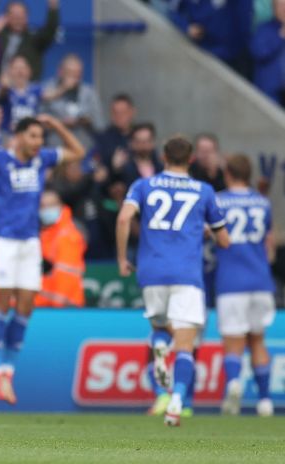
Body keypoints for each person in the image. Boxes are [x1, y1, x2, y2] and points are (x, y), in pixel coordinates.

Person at [0, 105, 85, 404]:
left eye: (41, 137)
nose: (38, 142)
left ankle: (8, 372)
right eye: (33, 136)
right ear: (19, 136)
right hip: (4, 242)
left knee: (25, 307)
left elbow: (78, 152)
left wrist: (57, 126)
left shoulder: (43, 159)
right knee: (2, 303)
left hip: (29, 243)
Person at [116, 136, 229, 427]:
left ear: (163, 156)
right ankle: (177, 400)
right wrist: (206, 231)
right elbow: (224, 241)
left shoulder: (143, 185)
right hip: (186, 275)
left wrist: (122, 258)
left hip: (151, 272)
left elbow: (124, 218)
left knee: (160, 329)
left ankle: (159, 353)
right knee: (186, 343)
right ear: (191, 159)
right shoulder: (204, 190)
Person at [214, 154, 275, 417]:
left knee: (233, 341)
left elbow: (211, 235)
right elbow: (269, 242)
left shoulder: (218, 201)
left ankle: (233, 384)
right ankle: (265, 401)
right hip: (261, 280)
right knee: (258, 340)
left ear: (227, 173)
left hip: (231, 281)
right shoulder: (263, 202)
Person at [0, 0, 59, 82]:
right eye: (14, 15)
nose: (18, 19)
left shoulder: (34, 40)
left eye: (21, 15)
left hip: (25, 87)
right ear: (6, 17)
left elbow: (50, 31)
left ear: (27, 17)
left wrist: (53, 5)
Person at [34, 190, 86, 307]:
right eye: (43, 206)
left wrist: (58, 306)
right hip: (46, 304)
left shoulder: (67, 236)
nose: (46, 209)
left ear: (61, 206)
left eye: (51, 205)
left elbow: (65, 277)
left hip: (63, 308)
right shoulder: (44, 233)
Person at [41, 54, 105, 152]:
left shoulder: (89, 93)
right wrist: (59, 123)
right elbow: (38, 123)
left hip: (83, 149)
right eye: (70, 73)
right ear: (60, 72)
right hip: (55, 149)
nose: (74, 78)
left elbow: (100, 125)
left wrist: (83, 121)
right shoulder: (47, 90)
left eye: (77, 74)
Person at [250, 0, 285, 105]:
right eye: (280, 6)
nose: (284, 9)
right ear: (274, 9)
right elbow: (259, 52)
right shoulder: (264, 29)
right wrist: (280, 36)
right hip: (269, 93)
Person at [94, 94, 135, 171]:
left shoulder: (140, 135)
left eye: (123, 112)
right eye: (115, 113)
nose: (119, 116)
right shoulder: (102, 139)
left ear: (132, 112)